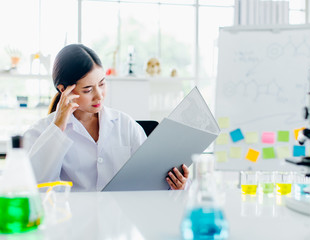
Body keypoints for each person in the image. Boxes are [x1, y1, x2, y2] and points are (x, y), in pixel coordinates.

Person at [24, 44, 189, 191]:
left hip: (119, 222)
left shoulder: (125, 125)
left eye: (102, 84)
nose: (99, 96)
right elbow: (33, 185)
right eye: (88, 89)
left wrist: (176, 184)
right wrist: (58, 127)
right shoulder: (40, 132)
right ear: (63, 90)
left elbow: (151, 178)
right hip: (71, 221)